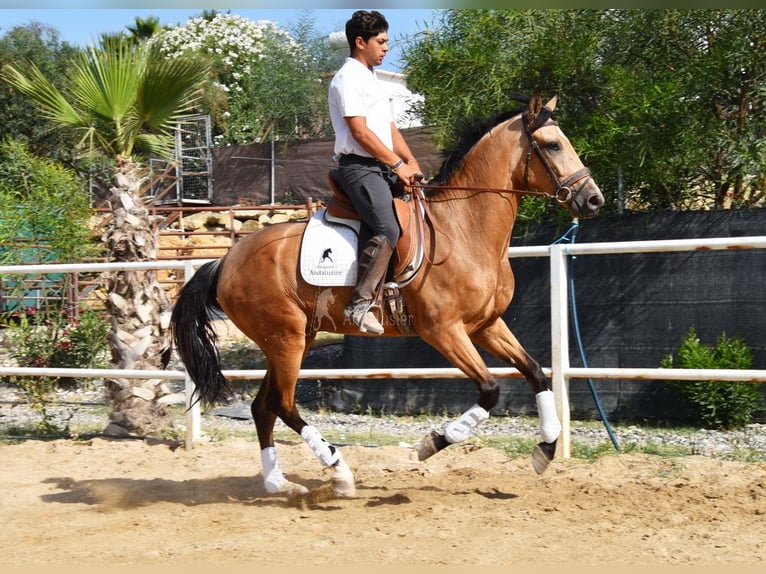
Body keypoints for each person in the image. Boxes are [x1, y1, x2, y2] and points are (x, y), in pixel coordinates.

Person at [328, 10, 423, 335]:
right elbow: (361, 133)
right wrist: (397, 165)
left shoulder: (369, 79)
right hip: (360, 168)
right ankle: (359, 305)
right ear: (360, 42)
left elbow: (388, 129)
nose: (386, 48)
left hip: (382, 166)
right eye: (380, 42)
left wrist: (412, 163)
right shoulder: (347, 79)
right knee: (387, 228)